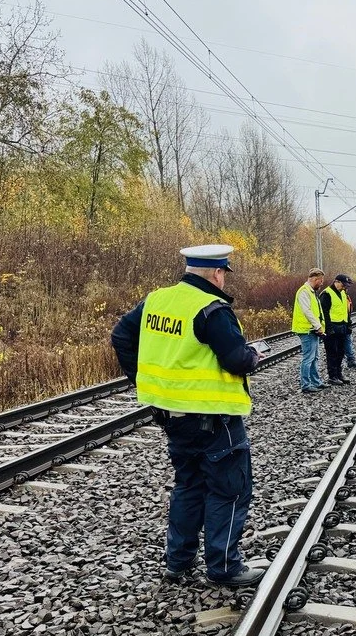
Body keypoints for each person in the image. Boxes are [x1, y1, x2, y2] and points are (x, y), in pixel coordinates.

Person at [110, 244, 264, 587]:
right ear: (217, 273)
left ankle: (177, 563)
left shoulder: (157, 300)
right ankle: (224, 567)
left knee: (189, 486)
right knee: (229, 490)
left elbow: (121, 336)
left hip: (172, 417)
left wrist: (142, 379)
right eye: (224, 273)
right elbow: (236, 360)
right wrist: (253, 356)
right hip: (214, 418)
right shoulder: (212, 309)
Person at [291, 268, 328, 394]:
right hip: (307, 330)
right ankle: (306, 385)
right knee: (308, 358)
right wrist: (318, 326)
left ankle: (316, 382)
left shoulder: (311, 292)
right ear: (315, 279)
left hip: (312, 330)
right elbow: (307, 311)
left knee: (315, 357)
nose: (322, 283)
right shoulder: (304, 292)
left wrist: (318, 327)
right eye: (321, 281)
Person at [320, 273, 354, 386]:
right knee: (332, 353)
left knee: (341, 352)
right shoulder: (326, 294)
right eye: (343, 285)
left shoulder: (343, 293)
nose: (345, 288)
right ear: (337, 282)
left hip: (342, 327)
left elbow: (346, 310)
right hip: (332, 328)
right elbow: (324, 313)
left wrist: (348, 324)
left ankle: (339, 374)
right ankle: (332, 376)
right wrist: (328, 328)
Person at [342, 287, 356, 370]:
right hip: (340, 324)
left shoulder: (345, 296)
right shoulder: (339, 296)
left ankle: (351, 360)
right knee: (342, 344)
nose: (347, 288)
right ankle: (344, 363)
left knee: (348, 341)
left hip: (346, 323)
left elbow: (348, 310)